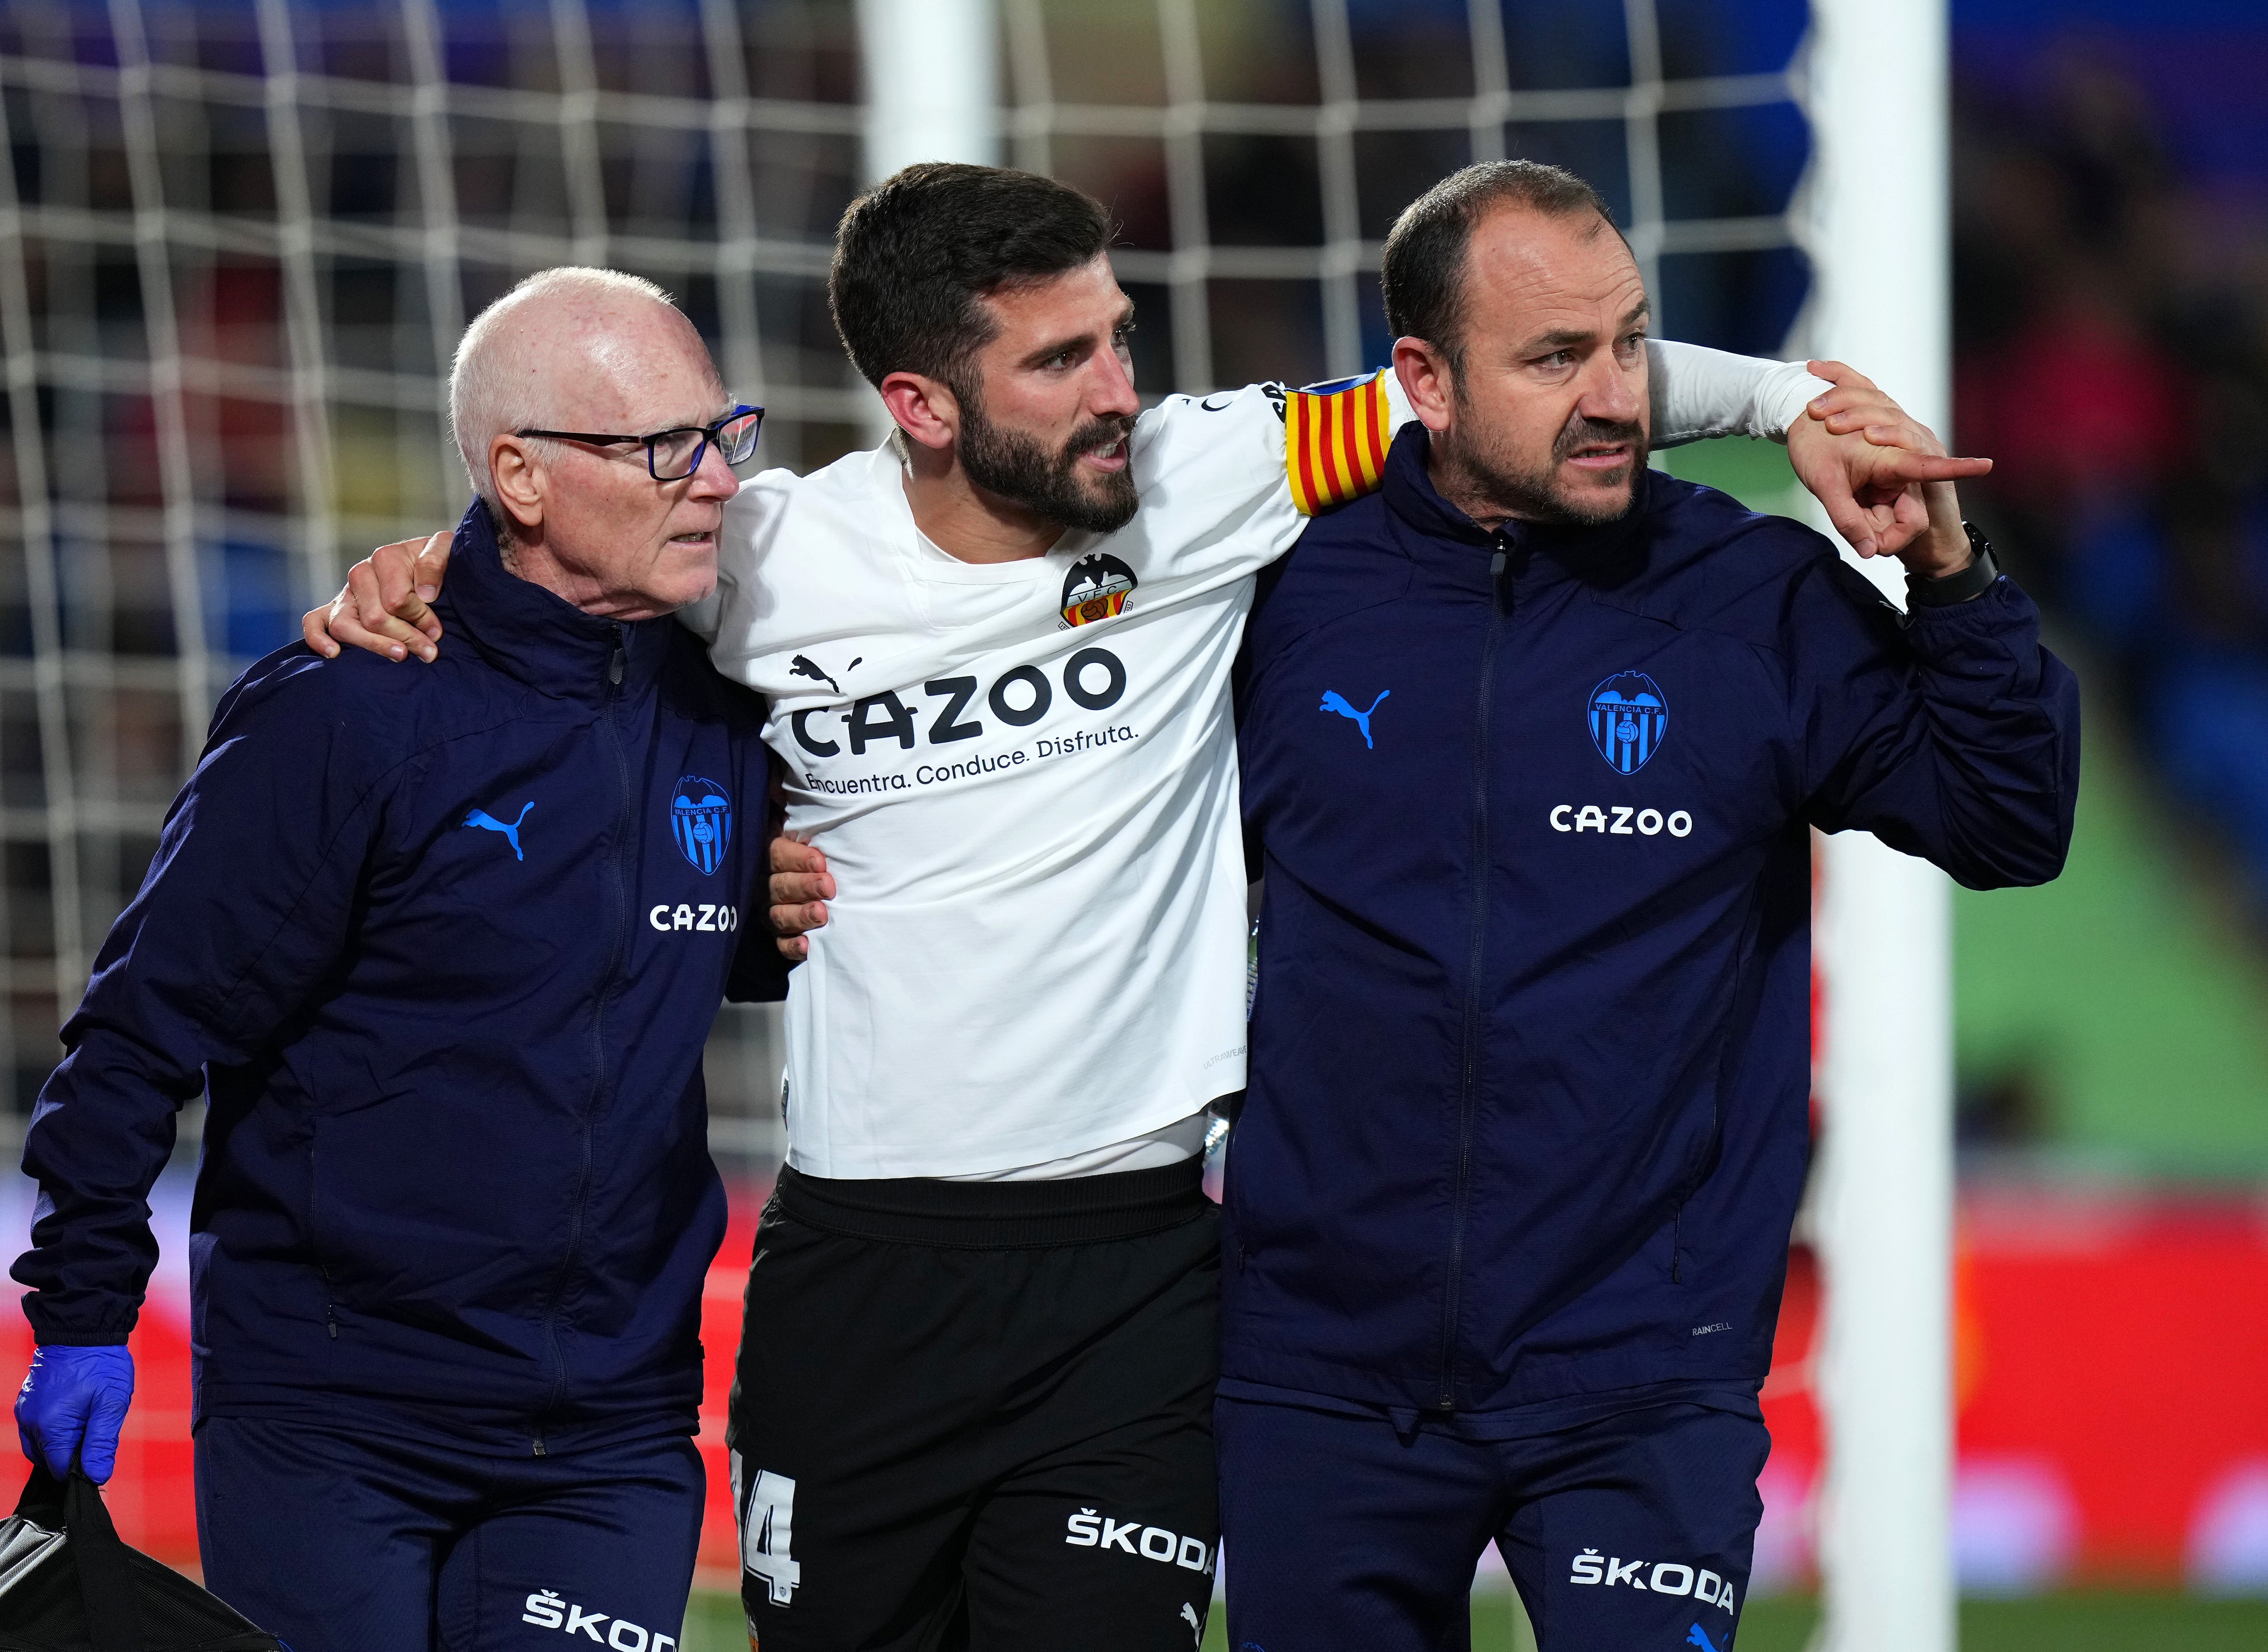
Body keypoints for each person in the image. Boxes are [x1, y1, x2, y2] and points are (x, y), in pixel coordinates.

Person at [307, 165, 1977, 1647]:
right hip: (857, 1269)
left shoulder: (1208, 477)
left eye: (1120, 337)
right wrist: (432, 567)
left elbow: (1517, 390)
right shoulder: (758, 560)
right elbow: (561, 603)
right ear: (922, 400)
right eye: (1063, 360)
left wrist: (1781, 404)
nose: (1122, 390)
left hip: (1135, 1269)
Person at [1215, 161, 2080, 1650]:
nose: (1612, 392)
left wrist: (1950, 581)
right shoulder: (1284, 586)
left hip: (1642, 1375)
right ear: (1419, 377)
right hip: (1317, 1364)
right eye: (1555, 358)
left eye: (1630, 342)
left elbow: (2011, 819)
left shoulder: (1750, 594)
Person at [8, 268, 778, 1652]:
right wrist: (83, 1310)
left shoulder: (735, 703)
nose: (716, 476)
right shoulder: (349, 712)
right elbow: (139, 1027)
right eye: (668, 447)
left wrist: (781, 919)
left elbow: (674, 950)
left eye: (725, 431)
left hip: (610, 1430)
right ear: (520, 478)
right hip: (335, 1421)